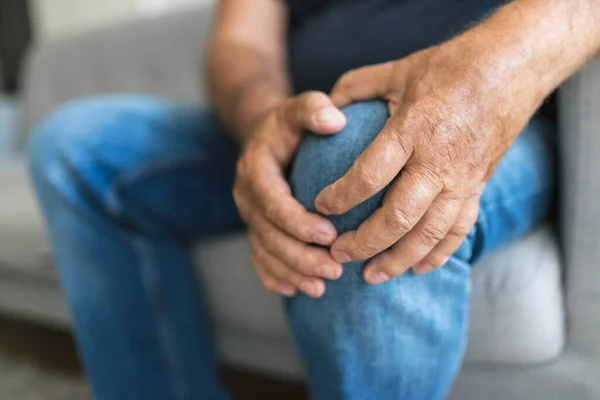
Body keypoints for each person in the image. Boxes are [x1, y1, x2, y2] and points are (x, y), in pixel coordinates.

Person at [27, 0, 598, 399]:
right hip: (300, 121)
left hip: (490, 118)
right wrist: (260, 121)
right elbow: (240, 44)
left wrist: (490, 75)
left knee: (359, 165)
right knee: (74, 145)